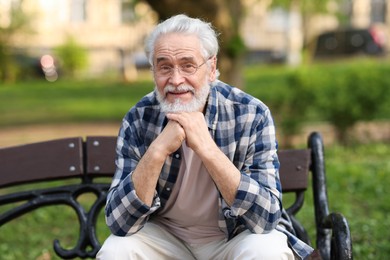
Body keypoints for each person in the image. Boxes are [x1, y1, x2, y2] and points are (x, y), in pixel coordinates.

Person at [97, 14, 313, 260]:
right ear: (153, 71)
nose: (176, 80)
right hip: (166, 239)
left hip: (234, 237)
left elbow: (266, 219)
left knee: (266, 250)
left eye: (188, 65)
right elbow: (119, 223)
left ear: (211, 68)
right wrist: (157, 151)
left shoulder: (251, 114)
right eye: (164, 66)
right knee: (117, 251)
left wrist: (206, 148)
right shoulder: (138, 119)